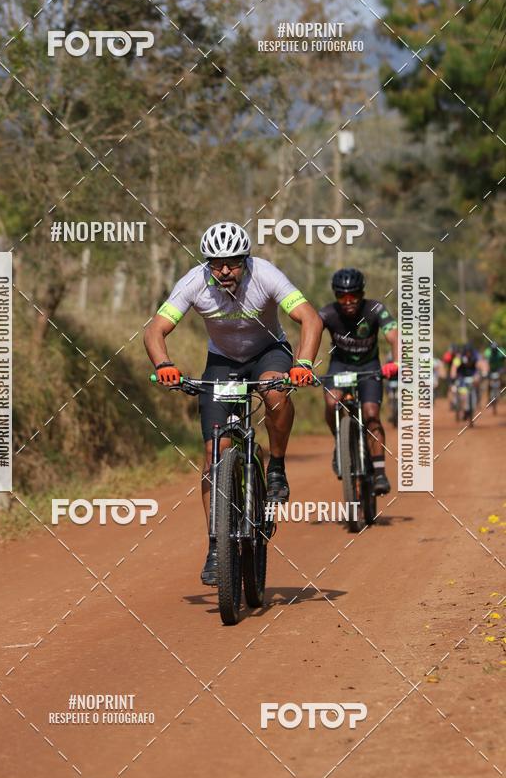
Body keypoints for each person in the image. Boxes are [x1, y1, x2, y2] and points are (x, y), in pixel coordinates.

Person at [144, 221, 322, 585]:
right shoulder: (194, 282)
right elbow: (155, 329)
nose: (225, 270)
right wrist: (164, 365)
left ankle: (276, 468)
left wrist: (302, 365)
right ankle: (215, 545)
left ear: (246, 260)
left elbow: (310, 320)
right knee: (215, 452)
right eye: (216, 263)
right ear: (207, 263)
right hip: (223, 362)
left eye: (233, 262)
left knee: (274, 391)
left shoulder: (266, 275)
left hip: (268, 352)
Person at [318, 268, 398, 496]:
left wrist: (398, 362)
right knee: (333, 403)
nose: (348, 301)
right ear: (335, 296)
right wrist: (303, 365)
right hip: (340, 366)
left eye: (353, 295)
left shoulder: (376, 309)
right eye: (342, 296)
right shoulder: (327, 313)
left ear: (362, 294)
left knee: (371, 413)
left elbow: (394, 335)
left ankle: (380, 471)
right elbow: (312, 331)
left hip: (369, 367)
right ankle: (340, 444)